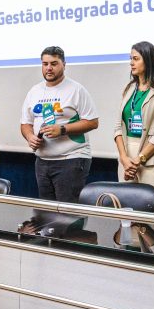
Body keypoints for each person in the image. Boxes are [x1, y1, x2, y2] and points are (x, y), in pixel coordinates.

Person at [20, 46, 99, 203]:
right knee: (46, 212)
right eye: (45, 64)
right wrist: (30, 137)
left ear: (64, 64)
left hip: (71, 158)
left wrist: (63, 129)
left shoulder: (76, 89)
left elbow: (92, 122)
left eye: (54, 64)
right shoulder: (34, 91)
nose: (49, 68)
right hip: (42, 161)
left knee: (67, 212)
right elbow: (25, 123)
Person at [113, 41, 154, 214]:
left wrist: (138, 160)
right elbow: (118, 127)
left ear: (148, 60)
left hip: (153, 160)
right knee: (128, 216)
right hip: (127, 159)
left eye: (135, 59)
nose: (131, 63)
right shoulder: (129, 89)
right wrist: (124, 159)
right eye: (130, 59)